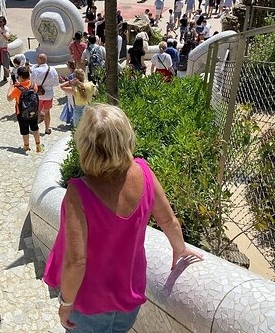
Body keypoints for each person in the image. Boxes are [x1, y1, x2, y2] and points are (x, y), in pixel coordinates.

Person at [43, 104, 203, 331]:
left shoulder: (78, 193)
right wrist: (179, 248)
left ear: (86, 146)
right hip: (129, 298)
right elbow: (168, 220)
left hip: (89, 303)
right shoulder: (144, 171)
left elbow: (76, 261)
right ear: (126, 139)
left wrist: (66, 303)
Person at [7, 66, 43, 153]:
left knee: (25, 130)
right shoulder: (33, 85)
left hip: (21, 113)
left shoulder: (17, 89)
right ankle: (38, 146)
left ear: (20, 77)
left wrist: (11, 86)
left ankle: (26, 146)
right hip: (33, 111)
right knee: (35, 128)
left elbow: (9, 98)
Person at [31, 54, 60, 135]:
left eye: (37, 59)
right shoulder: (53, 70)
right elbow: (56, 84)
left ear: (40, 60)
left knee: (37, 112)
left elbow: (32, 84)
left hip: (38, 95)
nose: (36, 60)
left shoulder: (36, 71)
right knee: (47, 113)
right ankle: (47, 129)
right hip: (49, 95)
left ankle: (35, 129)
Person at [59, 60, 76, 126]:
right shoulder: (76, 72)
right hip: (75, 92)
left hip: (72, 93)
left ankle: (73, 121)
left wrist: (64, 82)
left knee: (72, 107)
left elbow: (70, 84)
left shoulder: (71, 75)